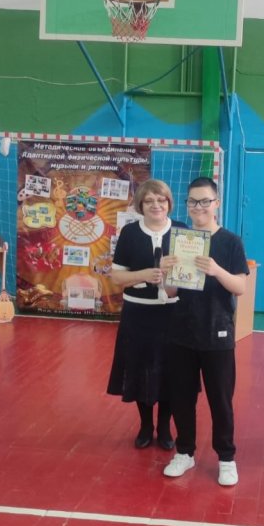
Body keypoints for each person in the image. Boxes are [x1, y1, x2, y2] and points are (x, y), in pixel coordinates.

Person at [162, 177, 249, 487]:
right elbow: (171, 291)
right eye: (192, 202)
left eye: (204, 201)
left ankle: (226, 458)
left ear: (216, 203)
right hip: (182, 332)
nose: (198, 207)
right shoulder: (178, 239)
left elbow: (240, 286)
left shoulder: (231, 242)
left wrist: (216, 270)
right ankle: (184, 452)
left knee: (220, 400)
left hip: (217, 333)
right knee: (182, 398)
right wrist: (167, 273)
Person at [107, 179, 183, 450]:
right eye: (149, 201)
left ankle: (164, 427)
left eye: (161, 200)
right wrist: (145, 275)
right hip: (138, 315)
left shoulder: (183, 232)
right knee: (139, 370)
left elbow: (191, 277)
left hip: (172, 315)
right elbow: (117, 277)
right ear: (140, 205)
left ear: (169, 203)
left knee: (171, 373)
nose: (156, 205)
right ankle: (145, 426)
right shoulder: (129, 233)